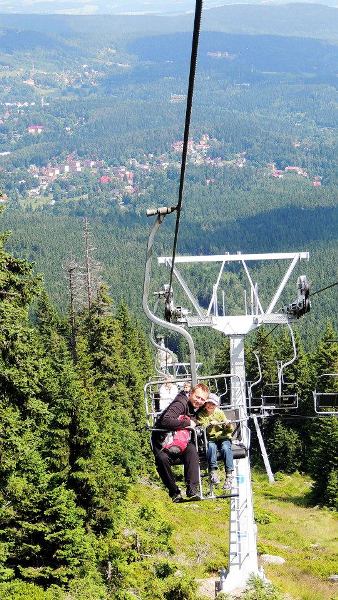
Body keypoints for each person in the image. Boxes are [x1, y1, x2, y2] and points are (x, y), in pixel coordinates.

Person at [151, 382, 209, 502]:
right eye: (197, 397)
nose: (199, 401)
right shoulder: (180, 403)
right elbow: (165, 421)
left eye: (202, 399)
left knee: (192, 451)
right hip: (162, 441)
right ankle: (174, 492)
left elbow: (210, 407)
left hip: (180, 440)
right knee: (162, 460)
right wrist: (188, 423)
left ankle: (192, 489)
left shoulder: (196, 406)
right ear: (191, 393)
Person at [197, 393, 234, 490]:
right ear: (205, 404)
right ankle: (213, 472)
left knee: (226, 448)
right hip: (211, 438)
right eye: (208, 403)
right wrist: (209, 424)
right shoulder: (201, 415)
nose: (210, 406)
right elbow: (203, 428)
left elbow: (230, 430)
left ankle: (229, 475)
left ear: (216, 405)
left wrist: (227, 425)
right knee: (211, 447)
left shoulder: (220, 413)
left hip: (223, 437)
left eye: (212, 404)